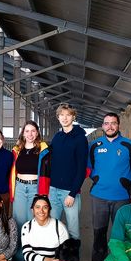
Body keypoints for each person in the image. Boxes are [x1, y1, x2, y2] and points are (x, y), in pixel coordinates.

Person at [87, 112, 131, 261]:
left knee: (121, 234)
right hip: (99, 195)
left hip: (122, 197)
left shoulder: (129, 145)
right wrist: (96, 178)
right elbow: (88, 165)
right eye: (107, 123)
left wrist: (128, 184)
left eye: (113, 123)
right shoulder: (95, 145)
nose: (110, 126)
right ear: (102, 126)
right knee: (99, 232)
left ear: (119, 125)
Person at [15, 195, 69, 261]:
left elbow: (65, 252)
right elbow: (27, 254)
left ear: (49, 209)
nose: (41, 211)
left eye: (45, 207)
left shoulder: (59, 226)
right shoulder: (27, 227)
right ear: (32, 210)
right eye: (37, 207)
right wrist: (45, 260)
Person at [47, 103, 88, 240]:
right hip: (53, 190)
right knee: (52, 226)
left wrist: (72, 193)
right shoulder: (57, 137)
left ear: (73, 116)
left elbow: (81, 169)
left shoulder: (80, 139)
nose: (64, 118)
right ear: (58, 117)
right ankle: (54, 258)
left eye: (68, 115)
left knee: (73, 230)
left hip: (69, 192)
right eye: (62, 115)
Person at [10, 120, 48, 261]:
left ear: (37, 133)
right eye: (27, 131)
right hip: (19, 187)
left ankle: (34, 256)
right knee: (19, 222)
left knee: (35, 221)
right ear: (23, 133)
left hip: (35, 187)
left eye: (33, 131)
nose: (30, 134)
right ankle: (19, 257)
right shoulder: (17, 150)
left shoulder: (43, 149)